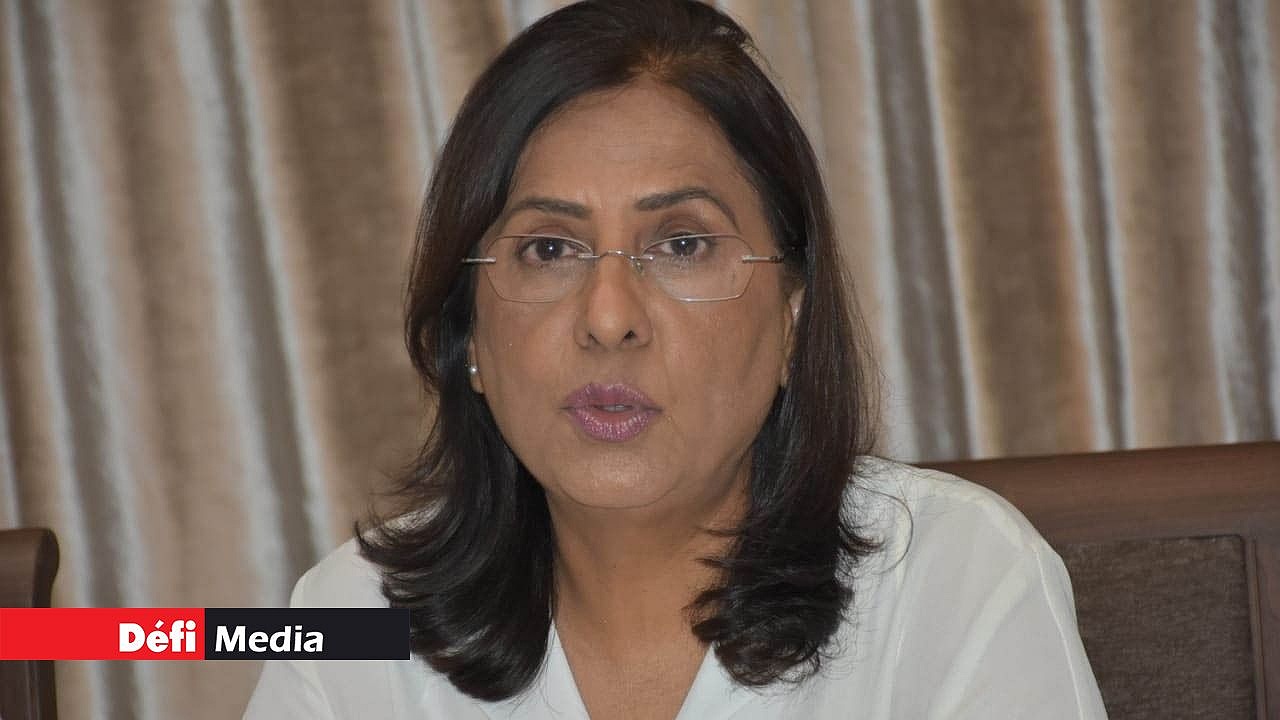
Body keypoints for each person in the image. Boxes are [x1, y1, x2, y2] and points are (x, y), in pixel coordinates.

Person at [244, 1, 1107, 718]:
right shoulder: (350, 623)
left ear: (792, 320)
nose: (609, 318)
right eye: (549, 250)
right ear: (469, 335)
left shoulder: (954, 581)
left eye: (683, 244)